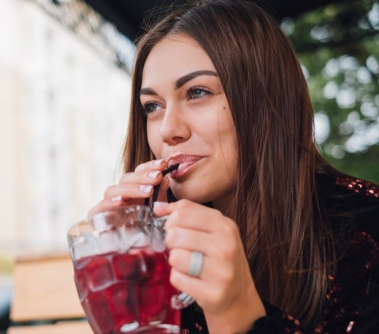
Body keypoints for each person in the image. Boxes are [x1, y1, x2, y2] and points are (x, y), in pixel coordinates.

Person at [87, 0, 379, 333]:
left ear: (267, 99)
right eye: (152, 106)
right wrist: (131, 309)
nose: (167, 129)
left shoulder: (368, 234)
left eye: (197, 92)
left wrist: (238, 313)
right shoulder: (159, 255)